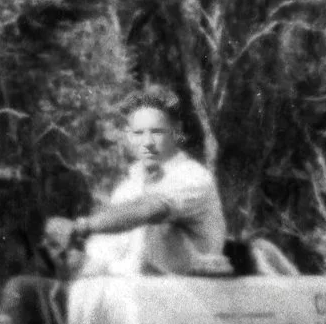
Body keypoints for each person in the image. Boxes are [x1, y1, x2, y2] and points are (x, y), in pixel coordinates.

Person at [45, 104, 230, 278]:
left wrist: (80, 227)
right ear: (130, 136)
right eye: (139, 133)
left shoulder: (192, 177)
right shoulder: (127, 189)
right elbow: (104, 260)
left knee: (26, 290)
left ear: (176, 132)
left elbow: (148, 209)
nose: (147, 142)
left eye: (156, 132)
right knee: (29, 290)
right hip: (131, 296)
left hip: (181, 298)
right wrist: (70, 258)